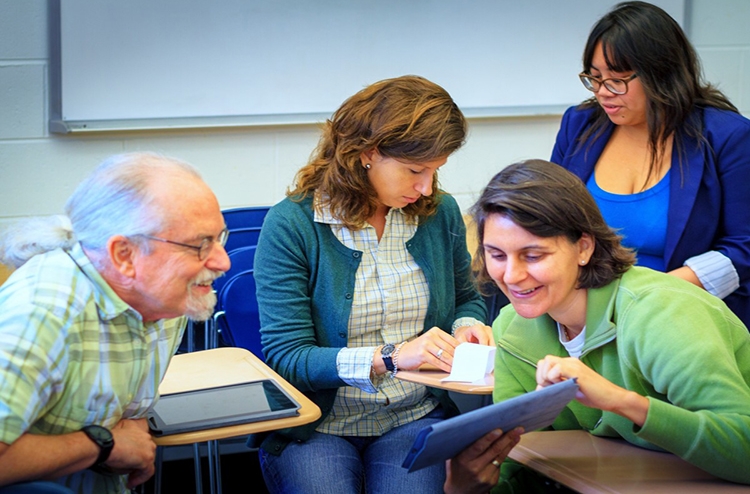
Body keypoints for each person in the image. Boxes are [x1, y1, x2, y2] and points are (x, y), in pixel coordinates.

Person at [444, 159, 750, 493]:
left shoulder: (661, 314)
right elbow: (520, 467)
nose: (512, 276)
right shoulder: (513, 329)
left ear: (584, 248)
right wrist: (466, 489)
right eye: (497, 255)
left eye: (533, 256)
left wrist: (621, 401)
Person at [254, 75, 492, 494]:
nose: (426, 188)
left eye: (435, 171)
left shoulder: (439, 214)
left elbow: (467, 300)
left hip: (412, 413)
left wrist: (465, 327)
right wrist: (391, 358)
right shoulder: (291, 224)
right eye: (415, 170)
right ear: (366, 153)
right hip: (316, 423)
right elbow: (287, 358)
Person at [0, 153, 231, 493]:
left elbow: (129, 413)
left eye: (219, 238)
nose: (222, 261)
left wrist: (132, 434)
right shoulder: (42, 315)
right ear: (124, 255)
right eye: (199, 245)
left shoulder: (166, 299)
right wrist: (102, 444)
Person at [550, 0, 750, 327]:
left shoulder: (727, 137)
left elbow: (744, 248)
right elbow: (549, 219)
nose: (603, 93)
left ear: (661, 73)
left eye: (617, 80)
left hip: (684, 317)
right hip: (585, 317)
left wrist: (648, 297)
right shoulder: (580, 125)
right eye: (594, 78)